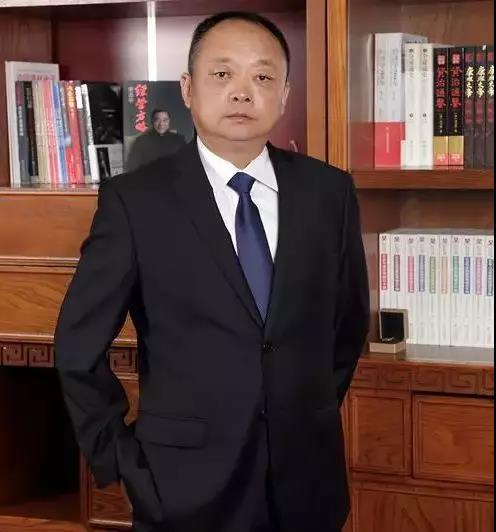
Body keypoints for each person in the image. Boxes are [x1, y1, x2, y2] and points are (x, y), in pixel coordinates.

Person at [54, 10, 370, 532]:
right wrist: (121, 460)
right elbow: (77, 348)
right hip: (180, 487)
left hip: (307, 484)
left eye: (262, 76)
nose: (243, 92)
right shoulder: (136, 202)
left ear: (284, 95)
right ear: (187, 88)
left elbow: (346, 327)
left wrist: (302, 416)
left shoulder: (328, 193)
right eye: (222, 74)